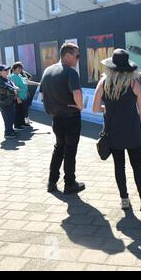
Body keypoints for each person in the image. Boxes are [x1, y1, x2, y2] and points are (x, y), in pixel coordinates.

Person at [93, 49, 141, 212]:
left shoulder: (103, 83)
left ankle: (124, 200)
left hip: (113, 132)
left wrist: (108, 108)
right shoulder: (134, 83)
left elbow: (94, 108)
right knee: (137, 166)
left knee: (118, 166)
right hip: (133, 131)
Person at [40, 43, 85, 195]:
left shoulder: (47, 71)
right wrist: (80, 106)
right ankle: (70, 183)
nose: (78, 59)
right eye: (77, 55)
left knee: (59, 148)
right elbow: (77, 94)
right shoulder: (71, 73)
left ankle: (51, 182)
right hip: (71, 118)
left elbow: (42, 95)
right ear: (67, 55)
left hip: (56, 119)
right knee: (70, 151)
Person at [10, 62, 40, 130]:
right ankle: (17, 125)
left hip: (24, 97)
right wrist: (17, 97)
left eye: (21, 68)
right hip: (18, 98)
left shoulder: (20, 75)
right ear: (14, 69)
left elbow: (27, 82)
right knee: (18, 112)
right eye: (18, 68)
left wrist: (38, 84)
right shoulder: (12, 76)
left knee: (22, 111)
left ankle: (22, 123)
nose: (20, 70)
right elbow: (13, 88)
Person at [0, 65, 19, 139]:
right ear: (0, 72)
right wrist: (14, 89)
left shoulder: (7, 78)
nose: (7, 71)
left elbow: (12, 84)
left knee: (11, 117)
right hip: (4, 102)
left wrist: (14, 88)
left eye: (8, 70)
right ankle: (7, 133)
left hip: (10, 101)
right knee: (7, 118)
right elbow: (4, 91)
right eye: (5, 70)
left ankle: (11, 130)